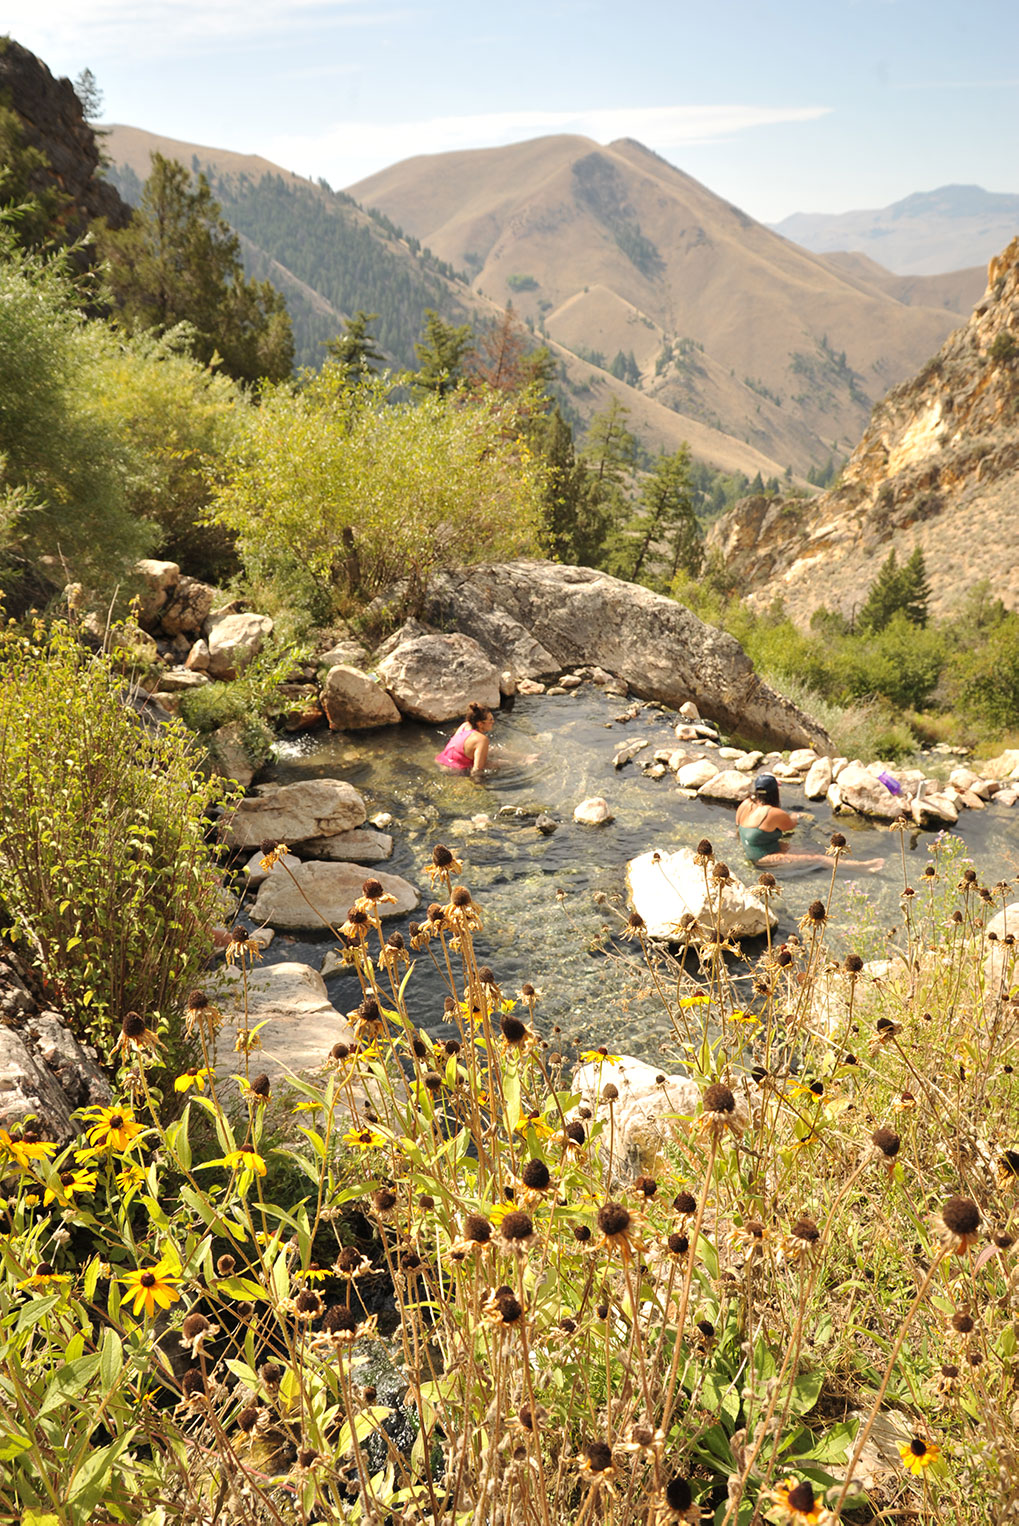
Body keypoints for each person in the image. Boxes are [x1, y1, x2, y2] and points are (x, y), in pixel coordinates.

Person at [736, 772, 884, 872]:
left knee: (810, 854)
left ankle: (848, 864)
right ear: (775, 793)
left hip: (765, 847)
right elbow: (790, 824)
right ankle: (863, 867)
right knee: (818, 859)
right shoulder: (772, 812)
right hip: (762, 858)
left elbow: (739, 829)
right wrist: (797, 815)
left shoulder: (745, 804)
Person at [435, 702, 496, 775]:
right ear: (480, 723)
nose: (493, 722)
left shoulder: (465, 726)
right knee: (502, 763)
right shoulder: (482, 740)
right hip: (454, 770)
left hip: (440, 761)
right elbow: (477, 769)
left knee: (493, 750)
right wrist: (477, 784)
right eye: (490, 720)